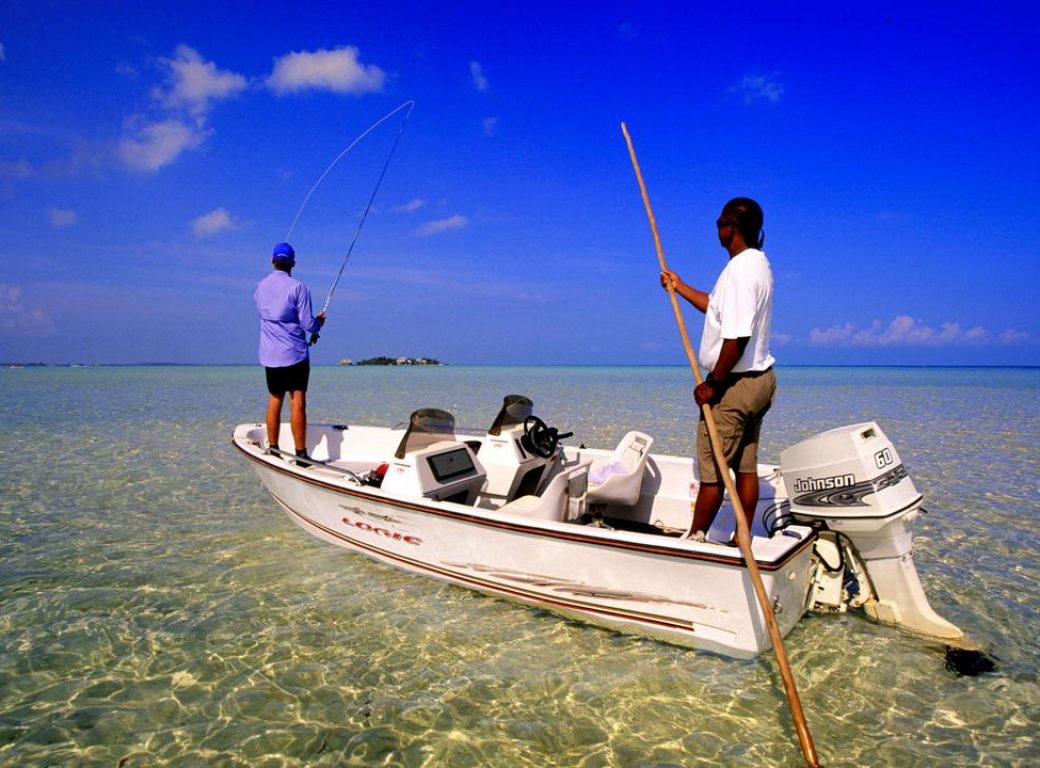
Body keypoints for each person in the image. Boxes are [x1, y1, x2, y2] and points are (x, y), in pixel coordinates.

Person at [660, 197, 776, 542]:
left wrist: (712, 384)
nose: (717, 227)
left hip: (735, 386)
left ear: (731, 228)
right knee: (745, 467)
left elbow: (737, 337)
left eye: (719, 222)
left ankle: (695, 539)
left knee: (712, 471)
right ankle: (743, 536)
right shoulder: (757, 264)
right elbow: (717, 308)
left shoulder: (741, 272)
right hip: (761, 381)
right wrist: (678, 287)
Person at [254, 242, 326, 463]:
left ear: (272, 260)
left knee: (275, 399)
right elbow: (307, 324)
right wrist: (319, 323)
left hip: (271, 355)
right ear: (293, 263)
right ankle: (301, 455)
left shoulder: (260, 286)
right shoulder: (299, 288)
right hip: (295, 354)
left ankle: (273, 449)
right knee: (298, 401)